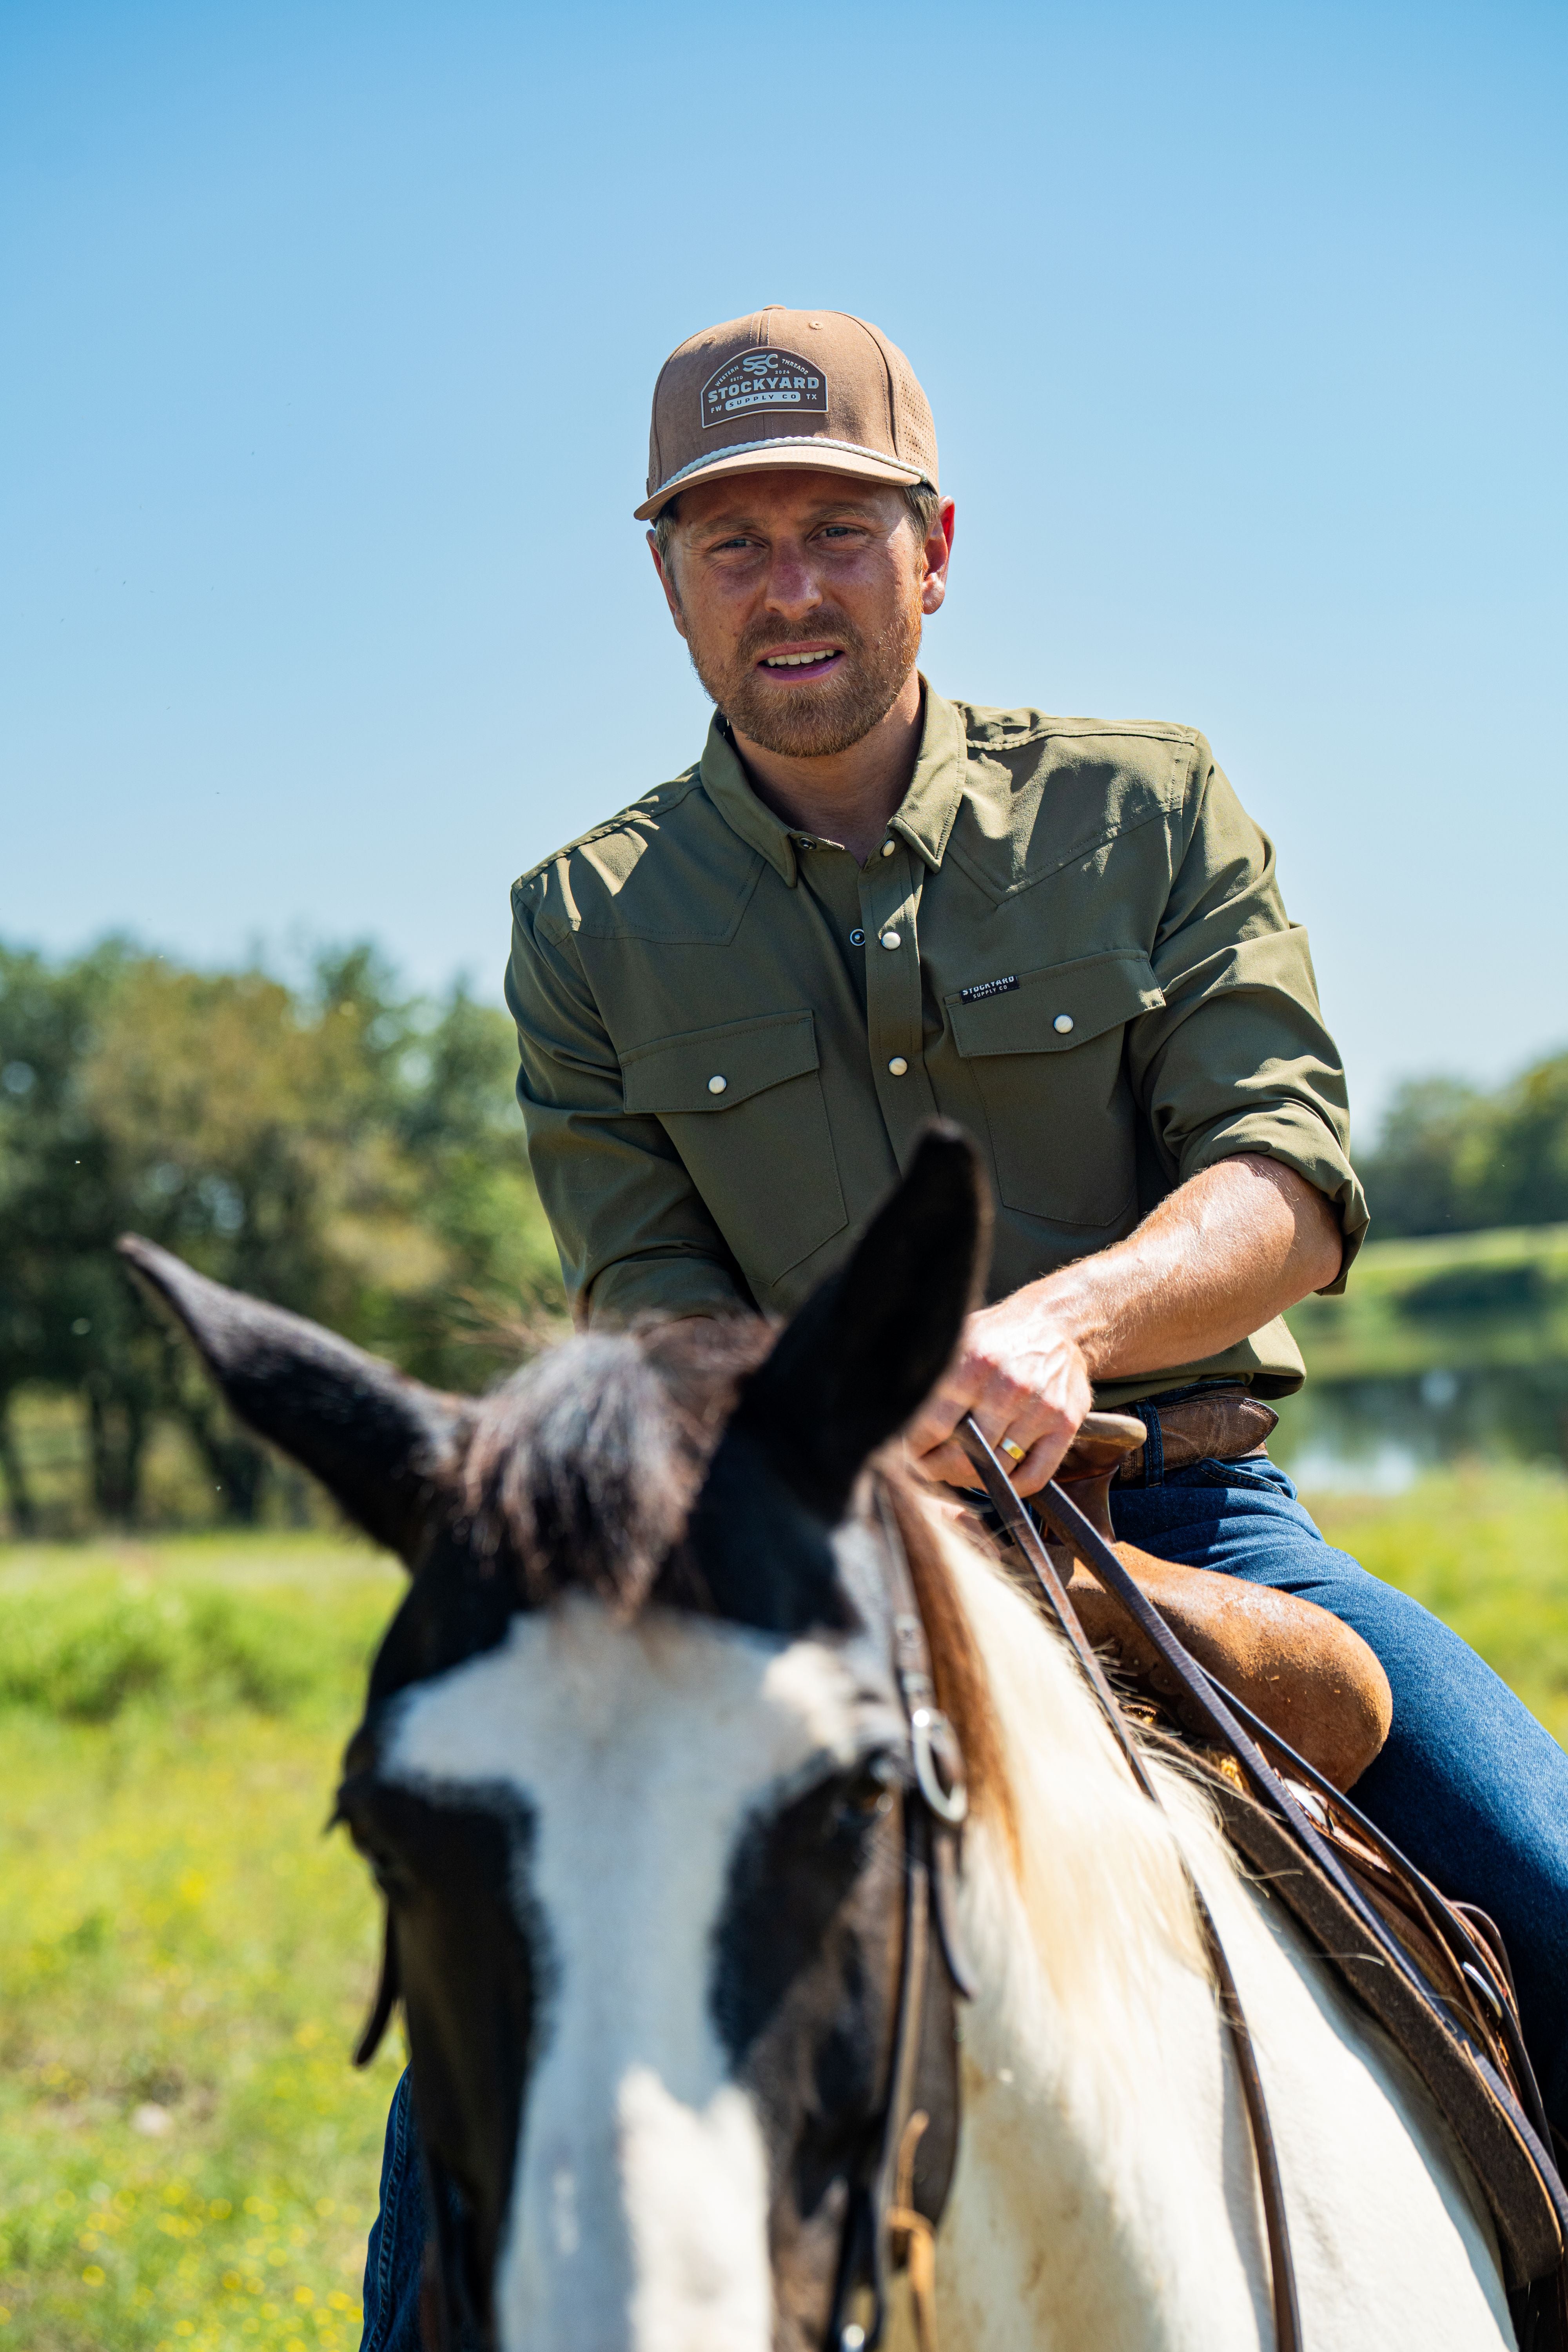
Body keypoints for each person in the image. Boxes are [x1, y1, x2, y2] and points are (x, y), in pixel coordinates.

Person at [357, 306, 1568, 2347]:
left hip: (1186, 1525)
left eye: (837, 526)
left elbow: (1286, 1180)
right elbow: (651, 1323)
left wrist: (1070, 1331)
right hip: (795, 1577)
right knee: (466, 2091)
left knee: (1542, 1880)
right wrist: (845, 1439)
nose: (789, 587)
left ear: (937, 541)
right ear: (664, 579)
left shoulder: (1151, 805)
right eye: (730, 543)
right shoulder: (584, 926)